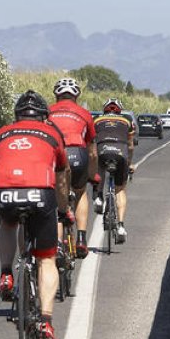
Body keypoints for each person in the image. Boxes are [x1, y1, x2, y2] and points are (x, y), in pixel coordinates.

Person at [0, 90, 70, 339]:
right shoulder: (53, 134)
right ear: (45, 117)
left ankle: (6, 274)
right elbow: (60, 178)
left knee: (7, 223)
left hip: (3, 191)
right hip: (39, 192)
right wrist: (63, 209)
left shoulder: (2, 133)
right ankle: (45, 321)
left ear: (17, 116)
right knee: (47, 258)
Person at [47, 77, 98, 258]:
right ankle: (82, 240)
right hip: (78, 153)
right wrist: (93, 175)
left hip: (56, 154)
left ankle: (59, 245)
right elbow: (92, 152)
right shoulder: (84, 114)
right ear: (76, 96)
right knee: (80, 192)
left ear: (56, 95)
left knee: (56, 199)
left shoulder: (47, 112)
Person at [93, 98, 135, 242]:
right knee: (120, 189)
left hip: (102, 150)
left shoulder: (97, 120)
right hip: (121, 152)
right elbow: (130, 146)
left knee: (98, 168)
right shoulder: (127, 121)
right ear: (120, 110)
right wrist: (129, 163)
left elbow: (91, 142)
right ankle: (121, 226)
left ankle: (98, 197)